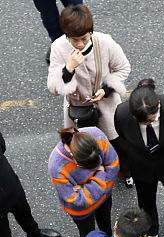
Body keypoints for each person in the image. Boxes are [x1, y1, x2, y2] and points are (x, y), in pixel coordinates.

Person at [112, 79, 164, 237]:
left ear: (159, 106)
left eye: (149, 121)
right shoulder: (121, 113)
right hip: (141, 164)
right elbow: (122, 133)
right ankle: (152, 229)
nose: (145, 124)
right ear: (132, 115)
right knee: (146, 200)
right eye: (141, 122)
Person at [46, 5, 130, 145]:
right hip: (78, 113)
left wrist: (106, 89)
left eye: (84, 39)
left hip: (107, 110)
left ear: (91, 32)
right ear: (66, 35)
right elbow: (53, 88)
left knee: (115, 149)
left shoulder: (105, 42)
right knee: (84, 152)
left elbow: (123, 68)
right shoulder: (58, 47)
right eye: (74, 40)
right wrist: (69, 69)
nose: (79, 44)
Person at [49, 126, 119, 237]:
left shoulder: (97, 135)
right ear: (74, 158)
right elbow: (77, 201)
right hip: (84, 210)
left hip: (103, 199)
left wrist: (83, 188)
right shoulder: (56, 167)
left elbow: (113, 165)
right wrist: (101, 172)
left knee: (106, 226)